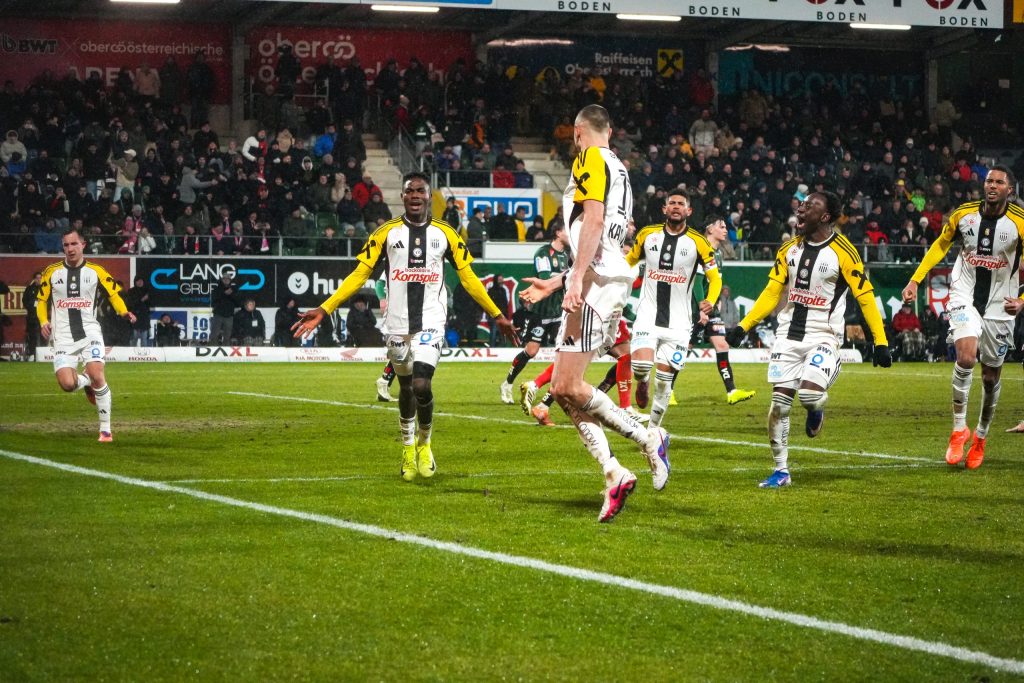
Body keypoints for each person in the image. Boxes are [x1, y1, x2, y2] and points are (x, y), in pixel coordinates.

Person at [292, 172, 519, 482]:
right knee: (407, 388)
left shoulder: (446, 233)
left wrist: (497, 314)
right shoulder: (385, 233)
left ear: (428, 196)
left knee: (423, 385)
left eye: (420, 191)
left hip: (431, 322)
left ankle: (425, 445)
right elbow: (360, 274)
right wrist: (325, 307)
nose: (415, 195)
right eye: (410, 190)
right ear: (402, 196)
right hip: (396, 326)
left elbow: (468, 278)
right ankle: (408, 447)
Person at [517, 104, 669, 523]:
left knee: (568, 384)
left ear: (578, 132)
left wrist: (576, 280)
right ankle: (613, 472)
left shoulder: (588, 159)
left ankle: (648, 438)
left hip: (596, 282)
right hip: (604, 276)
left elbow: (595, 222)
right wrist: (559, 281)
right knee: (564, 389)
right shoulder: (619, 167)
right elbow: (601, 235)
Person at [726, 191, 892, 488]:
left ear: (825, 216)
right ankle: (781, 471)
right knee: (779, 406)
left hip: (823, 336)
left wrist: (880, 342)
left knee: (809, 396)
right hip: (787, 335)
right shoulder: (788, 249)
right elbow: (772, 292)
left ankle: (816, 408)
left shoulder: (845, 252)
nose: (800, 210)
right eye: (800, 205)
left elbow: (865, 297)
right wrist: (743, 326)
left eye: (809, 206)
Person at [901, 166, 1024, 468]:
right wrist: (916, 280)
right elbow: (940, 245)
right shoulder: (963, 215)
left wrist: (1022, 301)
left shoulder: (1020, 222)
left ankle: (980, 436)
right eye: (989, 181)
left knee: (990, 377)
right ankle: (959, 430)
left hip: (1001, 304)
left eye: (999, 182)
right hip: (964, 295)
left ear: (1010, 190)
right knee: (966, 358)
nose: (992, 186)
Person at [625, 191, 721, 428]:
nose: (676, 207)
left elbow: (715, 278)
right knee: (641, 367)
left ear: (689, 211)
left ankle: (653, 430)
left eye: (681, 204)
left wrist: (710, 299)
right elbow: (628, 263)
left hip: (679, 322)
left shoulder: (699, 242)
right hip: (648, 314)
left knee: (664, 382)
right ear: (664, 209)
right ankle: (642, 381)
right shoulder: (647, 235)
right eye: (672, 203)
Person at [36, 228, 136, 441]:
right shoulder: (52, 272)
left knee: (98, 375)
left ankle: (105, 430)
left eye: (74, 244)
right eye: (66, 245)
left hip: (90, 332)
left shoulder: (96, 271)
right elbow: (42, 301)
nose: (70, 249)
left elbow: (113, 294)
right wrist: (44, 321)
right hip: (63, 337)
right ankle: (85, 381)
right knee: (67, 384)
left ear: (83, 245)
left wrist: (123, 311)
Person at [501, 221, 570, 404]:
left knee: (565, 352)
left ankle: (555, 392)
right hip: (540, 311)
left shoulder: (568, 254)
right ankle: (507, 384)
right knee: (531, 351)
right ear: (558, 232)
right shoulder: (543, 253)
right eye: (567, 230)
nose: (570, 234)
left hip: (560, 312)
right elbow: (545, 279)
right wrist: (568, 274)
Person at [691, 216, 757, 405]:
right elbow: (697, 283)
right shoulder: (701, 250)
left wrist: (716, 302)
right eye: (721, 226)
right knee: (685, 346)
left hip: (710, 308)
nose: (726, 230)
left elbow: (714, 283)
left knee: (722, 345)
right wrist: (701, 308)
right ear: (710, 229)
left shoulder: (718, 255)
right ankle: (668, 391)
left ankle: (732, 391)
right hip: (695, 307)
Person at [208, 274, 237, 345]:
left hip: (229, 315)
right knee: (214, 334)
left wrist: (231, 294)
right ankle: (213, 348)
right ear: (221, 280)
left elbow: (238, 302)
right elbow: (213, 301)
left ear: (230, 280)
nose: (226, 280)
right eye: (224, 278)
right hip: (218, 315)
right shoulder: (217, 289)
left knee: (228, 335)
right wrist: (224, 294)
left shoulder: (234, 290)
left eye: (228, 279)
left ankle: (226, 349)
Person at [23, 271, 43, 361]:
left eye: (40, 278)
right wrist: (31, 308)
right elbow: (24, 300)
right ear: (34, 279)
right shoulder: (29, 289)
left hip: (42, 317)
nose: (39, 280)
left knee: (43, 336)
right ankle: (31, 354)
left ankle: (43, 354)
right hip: (32, 316)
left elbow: (49, 301)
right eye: (37, 278)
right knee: (32, 336)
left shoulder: (45, 288)